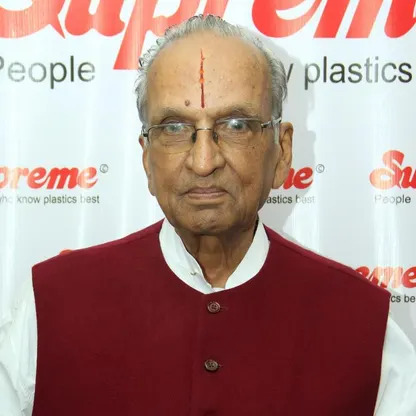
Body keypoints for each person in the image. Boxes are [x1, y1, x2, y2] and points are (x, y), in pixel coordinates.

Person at [1, 14, 415, 416]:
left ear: (282, 151)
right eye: (174, 128)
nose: (203, 162)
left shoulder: (365, 326)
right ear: (146, 157)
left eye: (236, 125)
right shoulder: (48, 308)